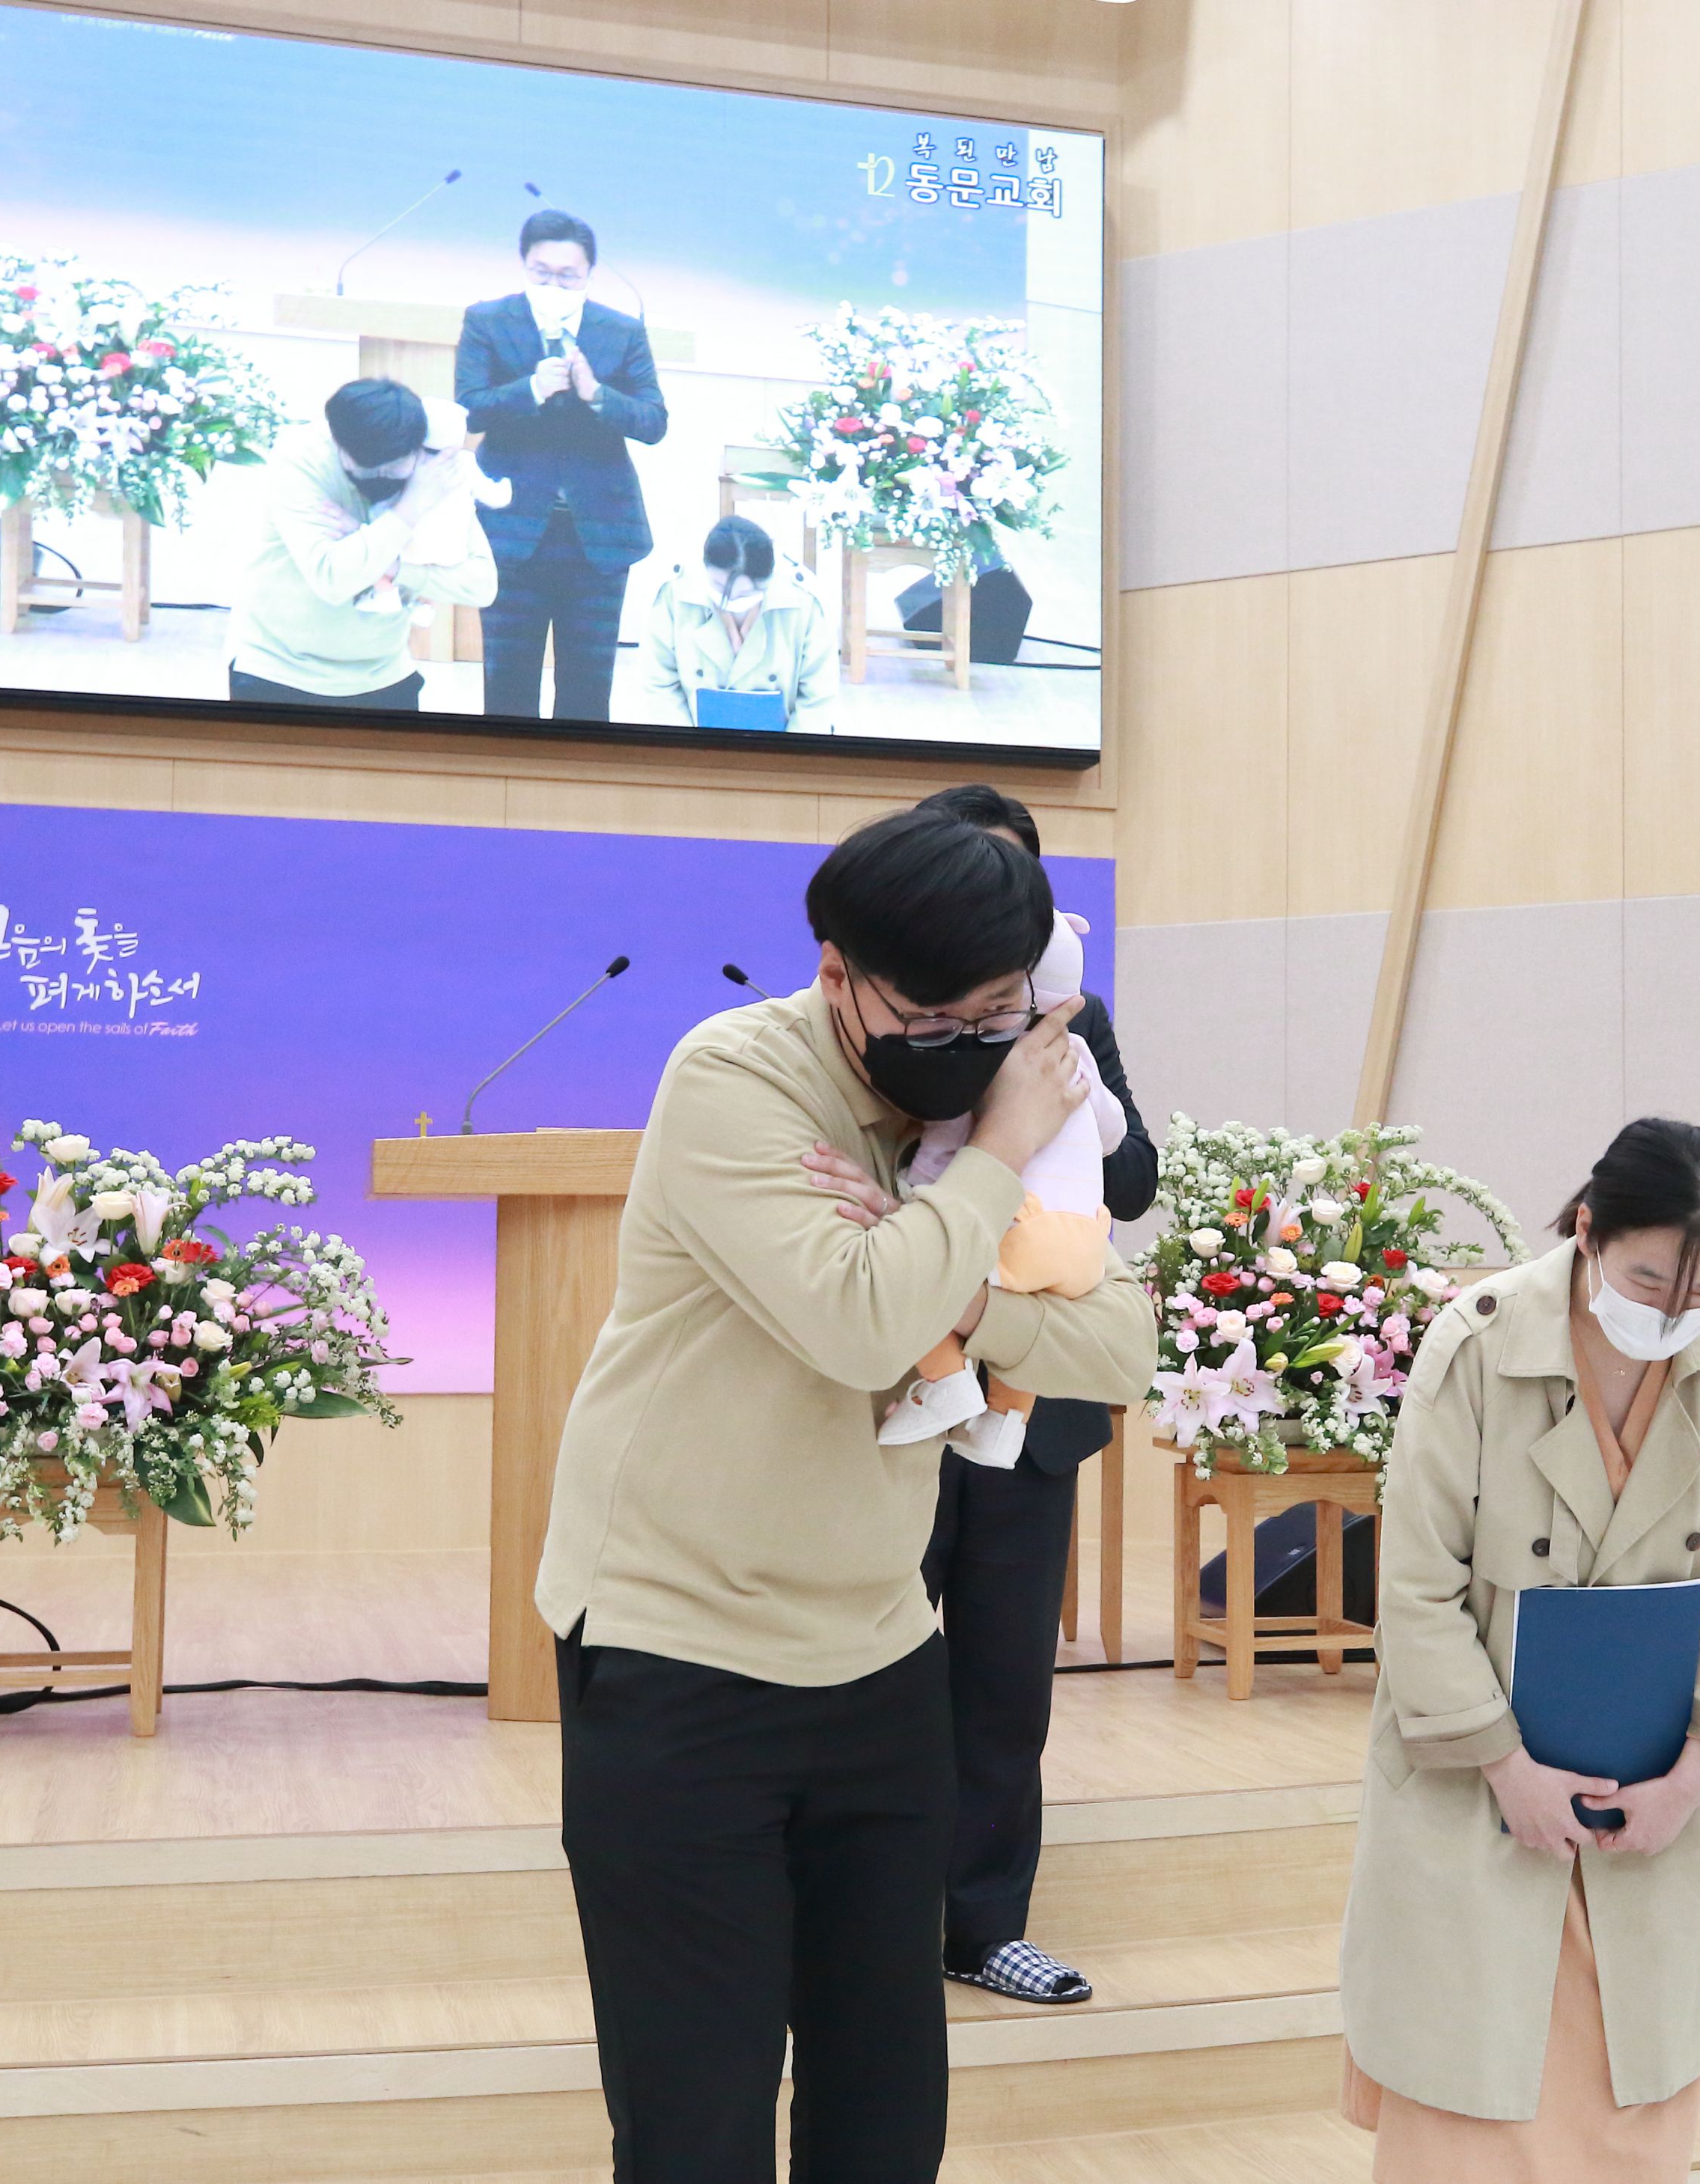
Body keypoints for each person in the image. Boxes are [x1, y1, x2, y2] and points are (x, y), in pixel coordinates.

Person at [539, 805, 1159, 2181]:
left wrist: (945, 1271)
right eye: (933, 1017)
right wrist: (988, 1165)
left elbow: (1121, 1344)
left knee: (883, 2111)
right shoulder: (735, 1076)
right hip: (680, 1648)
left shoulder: (1023, 1080)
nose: (970, 1044)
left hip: (881, 1653)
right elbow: (859, 1324)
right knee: (696, 2117)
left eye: (997, 1012)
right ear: (837, 975)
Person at [1337, 1118, 1700, 2181]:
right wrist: (1506, 1768)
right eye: (1645, 1281)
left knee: (1633, 2081)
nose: (1670, 1314)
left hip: (1665, 1789)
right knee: (1469, 2075)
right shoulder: (1477, 1344)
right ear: (1588, 1229)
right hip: (1477, 1774)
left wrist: (1695, 1772)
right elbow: (1414, 1584)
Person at [804, 782, 1157, 2009]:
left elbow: (1134, 1176)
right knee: (871, 1673)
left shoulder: (1073, 1017)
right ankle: (861, 1919)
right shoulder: (883, 1025)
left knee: (1003, 1683)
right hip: (898, 1391)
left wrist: (1055, 1105)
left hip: (1032, 1399)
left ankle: (985, 1923)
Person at [879, 902, 1124, 1461]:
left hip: (1016, 1225)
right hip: (1085, 1242)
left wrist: (917, 1190)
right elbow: (1113, 1133)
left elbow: (946, 1136)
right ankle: (1005, 1424)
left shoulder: (986, 1057)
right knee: (1027, 1314)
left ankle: (945, 1381)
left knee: (918, 1271)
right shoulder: (1075, 1053)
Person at [455, 207, 666, 723]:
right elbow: (471, 409)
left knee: (588, 691)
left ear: (589, 273)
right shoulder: (487, 321)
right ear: (524, 266)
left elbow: (654, 422)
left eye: (568, 276)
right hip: (512, 531)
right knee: (507, 685)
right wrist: (529, 389)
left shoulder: (621, 330)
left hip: (598, 536)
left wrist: (598, 395)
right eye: (542, 273)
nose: (554, 285)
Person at [225, 377, 494, 710]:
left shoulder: (432, 465)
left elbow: (482, 585)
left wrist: (396, 567)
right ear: (338, 443)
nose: (382, 478)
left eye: (395, 470)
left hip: (385, 673)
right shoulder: (301, 456)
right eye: (369, 470)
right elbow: (333, 579)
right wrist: (410, 508)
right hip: (280, 671)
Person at [636, 515, 840, 733]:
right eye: (718, 587)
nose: (731, 600)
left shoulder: (805, 602)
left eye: (746, 594)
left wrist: (788, 751)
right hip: (691, 742)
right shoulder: (674, 593)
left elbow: (818, 699)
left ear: (768, 579)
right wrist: (685, 746)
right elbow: (659, 686)